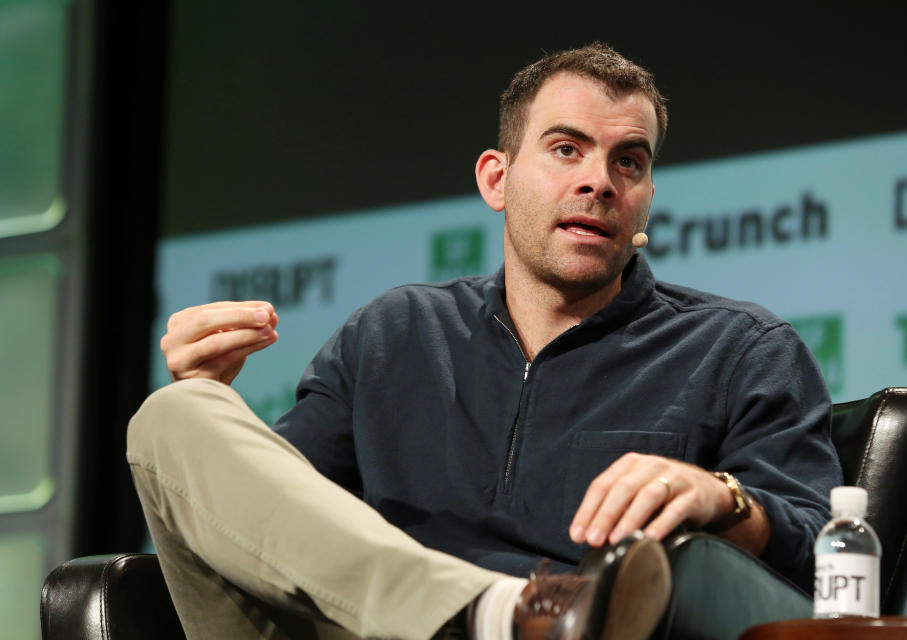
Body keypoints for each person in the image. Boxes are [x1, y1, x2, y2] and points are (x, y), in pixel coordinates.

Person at [128, 43, 842, 640]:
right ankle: (496, 613)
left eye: (629, 161)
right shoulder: (395, 333)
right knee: (175, 413)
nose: (599, 181)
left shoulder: (739, 348)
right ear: (496, 180)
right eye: (568, 149)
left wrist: (720, 497)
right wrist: (213, 404)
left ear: (647, 196)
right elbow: (283, 531)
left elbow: (828, 566)